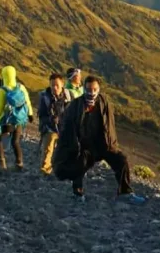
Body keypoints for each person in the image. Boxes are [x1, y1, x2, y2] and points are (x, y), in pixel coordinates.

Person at [53, 76, 145, 204]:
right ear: (84, 88)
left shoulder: (104, 101)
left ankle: (125, 193)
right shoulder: (75, 106)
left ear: (99, 89)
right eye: (89, 89)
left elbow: (110, 125)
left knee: (121, 161)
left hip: (104, 144)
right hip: (85, 145)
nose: (91, 92)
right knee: (81, 163)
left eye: (95, 89)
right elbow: (68, 128)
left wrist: (112, 145)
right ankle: (77, 194)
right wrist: (72, 147)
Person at [0, 66, 33, 172]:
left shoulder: (2, 91)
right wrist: (30, 114)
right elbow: (28, 102)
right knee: (15, 141)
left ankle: (2, 163)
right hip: (20, 120)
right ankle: (19, 162)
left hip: (7, 121)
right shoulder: (21, 87)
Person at [38, 73, 70, 176]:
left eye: (57, 85)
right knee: (49, 143)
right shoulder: (45, 97)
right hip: (50, 127)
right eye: (52, 85)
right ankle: (45, 169)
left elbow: (72, 112)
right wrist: (50, 119)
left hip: (66, 127)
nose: (55, 88)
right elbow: (41, 115)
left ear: (62, 84)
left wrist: (61, 119)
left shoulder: (69, 96)